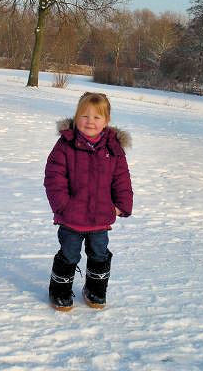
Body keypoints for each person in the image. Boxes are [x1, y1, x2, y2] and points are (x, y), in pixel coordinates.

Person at [44, 92, 133, 311]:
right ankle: (60, 292)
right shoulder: (66, 145)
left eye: (97, 117)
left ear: (107, 121)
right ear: (76, 117)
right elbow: (54, 179)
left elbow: (121, 178)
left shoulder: (113, 148)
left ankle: (95, 290)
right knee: (69, 253)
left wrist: (121, 205)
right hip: (71, 217)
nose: (90, 122)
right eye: (84, 116)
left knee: (99, 253)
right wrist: (63, 206)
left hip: (100, 217)